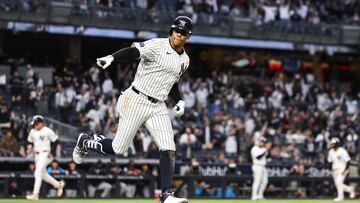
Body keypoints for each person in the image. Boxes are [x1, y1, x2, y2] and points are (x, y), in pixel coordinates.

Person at [72, 16, 192, 203]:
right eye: (177, 30)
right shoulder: (157, 46)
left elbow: (172, 82)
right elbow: (133, 52)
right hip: (136, 98)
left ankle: (166, 194)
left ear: (188, 36)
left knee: (169, 147)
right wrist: (112, 57)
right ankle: (85, 142)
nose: (179, 34)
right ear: (171, 30)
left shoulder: (185, 60)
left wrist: (179, 100)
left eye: (183, 32)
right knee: (118, 148)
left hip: (158, 105)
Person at [26, 115, 65, 200]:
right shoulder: (33, 131)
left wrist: (52, 152)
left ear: (41, 123)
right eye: (34, 124)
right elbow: (29, 141)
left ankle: (35, 194)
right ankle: (58, 185)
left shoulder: (47, 131)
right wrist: (30, 147)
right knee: (43, 175)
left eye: (37, 123)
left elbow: (56, 141)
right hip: (37, 155)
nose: (35, 125)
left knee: (38, 172)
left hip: (46, 154)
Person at [327, 137, 355, 201]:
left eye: (333, 143)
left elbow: (348, 161)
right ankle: (350, 189)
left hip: (342, 169)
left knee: (339, 183)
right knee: (338, 184)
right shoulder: (330, 151)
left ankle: (340, 197)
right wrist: (329, 170)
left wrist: (345, 170)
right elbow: (329, 162)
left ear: (337, 143)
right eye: (332, 143)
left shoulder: (342, 151)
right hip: (334, 170)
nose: (332, 145)